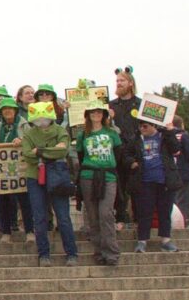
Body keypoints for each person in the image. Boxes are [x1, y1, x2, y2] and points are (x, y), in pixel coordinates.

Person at [22, 101, 79, 267]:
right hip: (35, 176)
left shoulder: (60, 130)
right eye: (37, 118)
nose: (41, 121)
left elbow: (64, 150)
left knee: (63, 217)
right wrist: (52, 150)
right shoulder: (29, 133)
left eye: (44, 117)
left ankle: (72, 253)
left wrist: (39, 151)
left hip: (58, 176)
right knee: (39, 217)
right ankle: (43, 254)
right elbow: (27, 154)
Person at [76, 103, 123, 266]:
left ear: (103, 114)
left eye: (99, 112)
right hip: (88, 175)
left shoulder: (112, 133)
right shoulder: (83, 135)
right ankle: (99, 250)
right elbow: (80, 155)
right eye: (92, 112)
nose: (96, 114)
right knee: (93, 215)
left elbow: (118, 153)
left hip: (108, 176)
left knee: (106, 213)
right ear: (87, 114)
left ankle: (111, 251)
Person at [0, 97, 34, 243]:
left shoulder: (25, 126)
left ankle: (30, 230)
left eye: (10, 109)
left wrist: (22, 141)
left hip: (21, 171)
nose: (7, 111)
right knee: (1, 201)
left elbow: (32, 141)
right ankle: (5, 231)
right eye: (4, 109)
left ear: (15, 110)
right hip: (2, 172)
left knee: (25, 201)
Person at [132, 120, 182, 253]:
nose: (142, 129)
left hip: (164, 180)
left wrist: (170, 131)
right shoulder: (136, 138)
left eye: (145, 126)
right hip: (145, 180)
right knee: (144, 212)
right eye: (140, 126)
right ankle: (142, 241)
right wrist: (131, 162)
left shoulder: (164, 136)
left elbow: (176, 149)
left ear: (153, 125)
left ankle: (166, 240)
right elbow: (126, 154)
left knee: (165, 212)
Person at [109, 67, 142, 229]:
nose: (118, 83)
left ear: (130, 83)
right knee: (119, 185)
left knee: (137, 186)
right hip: (117, 150)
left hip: (136, 151)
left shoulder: (141, 104)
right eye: (117, 81)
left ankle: (138, 219)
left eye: (122, 80)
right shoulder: (110, 105)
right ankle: (121, 218)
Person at [170, 116, 189, 223]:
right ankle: (180, 223)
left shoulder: (165, 136)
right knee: (183, 200)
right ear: (181, 124)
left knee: (172, 200)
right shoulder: (183, 135)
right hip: (184, 172)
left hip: (171, 173)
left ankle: (170, 223)